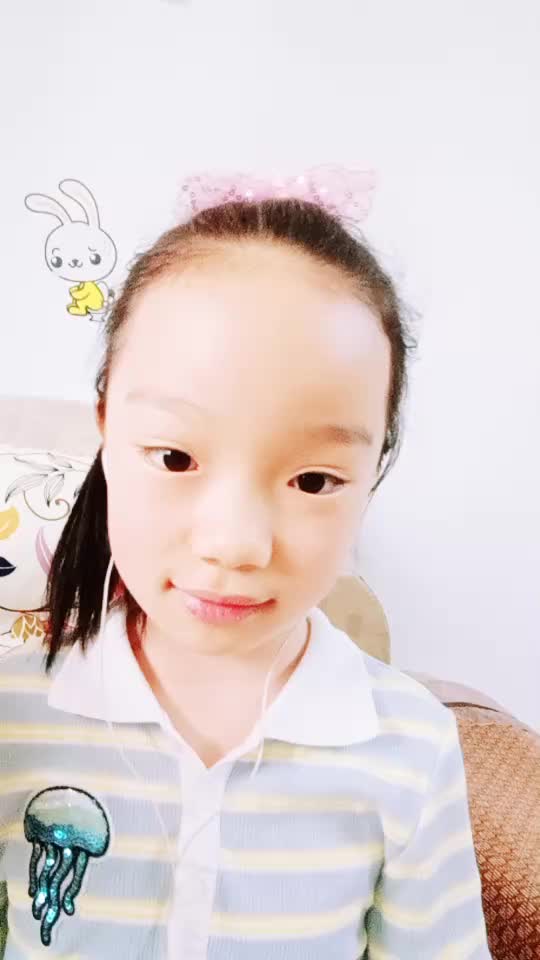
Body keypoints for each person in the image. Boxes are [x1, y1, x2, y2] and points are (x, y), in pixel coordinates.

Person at [0, 167, 492, 958]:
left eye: (314, 480)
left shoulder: (410, 747)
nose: (235, 544)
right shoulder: (14, 713)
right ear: (106, 432)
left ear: (373, 473)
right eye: (175, 457)